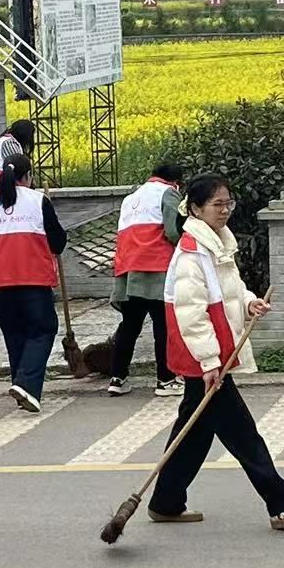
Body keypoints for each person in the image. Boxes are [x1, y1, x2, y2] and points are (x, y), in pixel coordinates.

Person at [147, 175, 284, 533]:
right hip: (203, 357)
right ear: (194, 209)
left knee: (193, 434)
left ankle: (165, 502)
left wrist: (250, 303)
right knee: (243, 434)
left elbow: (232, 289)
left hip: (213, 354)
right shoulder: (192, 253)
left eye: (228, 204)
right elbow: (190, 315)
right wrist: (209, 362)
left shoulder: (217, 244)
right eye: (217, 205)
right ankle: (280, 504)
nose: (225, 211)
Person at [0, 153, 67, 413]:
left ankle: (22, 389)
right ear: (28, 176)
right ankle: (27, 384)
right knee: (43, 330)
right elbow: (57, 242)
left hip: (1, 284)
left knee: (15, 335)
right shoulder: (38, 200)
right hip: (32, 280)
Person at [108, 162, 186, 398]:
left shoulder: (131, 197)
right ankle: (166, 379)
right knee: (163, 326)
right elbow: (173, 231)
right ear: (176, 182)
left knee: (130, 326)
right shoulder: (168, 193)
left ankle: (117, 378)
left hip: (128, 270)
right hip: (156, 269)